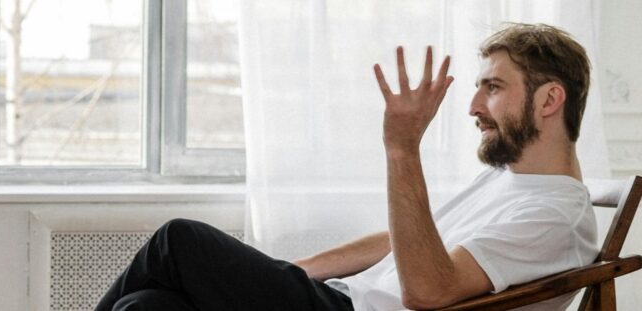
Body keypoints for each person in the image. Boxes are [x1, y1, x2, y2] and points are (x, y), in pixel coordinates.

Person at [97, 23, 596, 311]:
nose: (472, 106)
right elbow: (408, 241)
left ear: (549, 99)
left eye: (492, 87)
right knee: (142, 309)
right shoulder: (509, 181)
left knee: (179, 239)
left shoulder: (555, 216)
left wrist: (402, 149)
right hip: (337, 299)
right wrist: (287, 272)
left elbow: (428, 289)